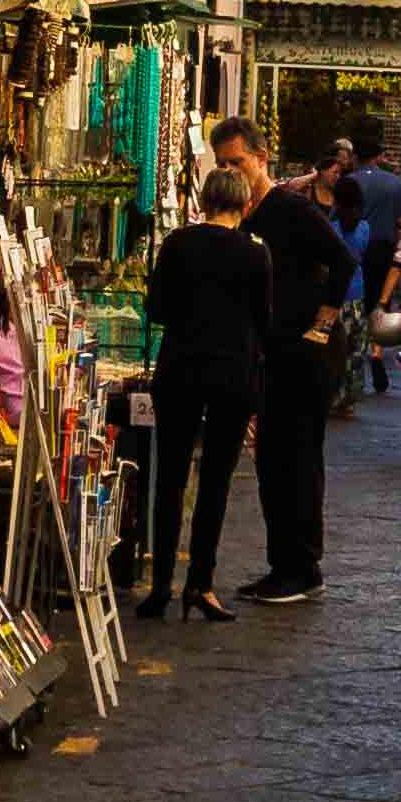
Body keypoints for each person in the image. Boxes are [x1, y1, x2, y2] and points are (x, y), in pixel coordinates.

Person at [214, 119, 345, 602]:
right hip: (269, 353)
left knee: (298, 458)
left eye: (238, 162)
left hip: (303, 354)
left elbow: (342, 260)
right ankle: (283, 563)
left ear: (261, 158)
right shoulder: (238, 217)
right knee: (271, 459)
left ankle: (303, 566)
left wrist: (322, 324)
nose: (232, 170)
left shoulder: (289, 209)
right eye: (223, 164)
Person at [136, 176, 274, 619]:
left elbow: (156, 309)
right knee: (216, 479)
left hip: (180, 371)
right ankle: (201, 581)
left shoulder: (177, 245)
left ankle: (160, 586)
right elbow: (263, 321)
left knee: (171, 477)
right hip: (232, 376)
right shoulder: (256, 252)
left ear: (205, 201)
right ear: (245, 204)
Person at [335, 138, 401, 399]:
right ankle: (377, 350)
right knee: (379, 302)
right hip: (382, 247)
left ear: (357, 156)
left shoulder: (350, 180)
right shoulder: (393, 182)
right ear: (379, 156)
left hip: (351, 248)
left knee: (355, 299)